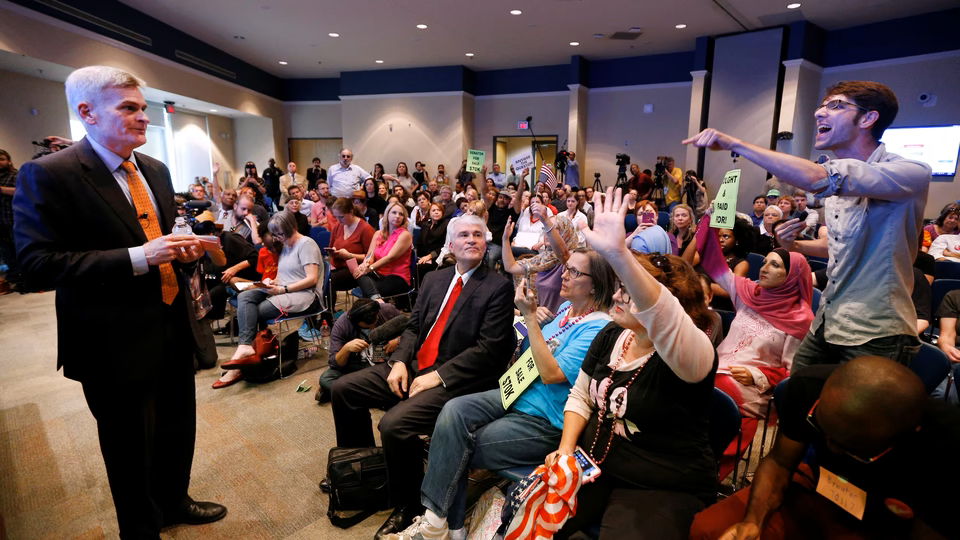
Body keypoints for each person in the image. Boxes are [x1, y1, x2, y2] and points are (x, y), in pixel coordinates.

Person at [12, 65, 226, 536]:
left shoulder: (154, 169)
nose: (142, 118)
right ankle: (141, 526)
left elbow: (164, 242)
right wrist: (137, 257)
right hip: (111, 338)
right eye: (128, 108)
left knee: (176, 426)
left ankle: (174, 501)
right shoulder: (50, 174)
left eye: (143, 109)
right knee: (130, 445)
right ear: (86, 112)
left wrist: (185, 253)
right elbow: (37, 263)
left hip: (172, 323)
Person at [686, 81, 932, 370]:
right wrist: (795, 246)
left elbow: (818, 178)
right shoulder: (838, 191)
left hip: (876, 330)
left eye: (835, 105)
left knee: (849, 414)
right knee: (793, 399)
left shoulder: (910, 172)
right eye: (822, 105)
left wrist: (735, 144)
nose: (819, 112)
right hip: (828, 319)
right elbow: (839, 247)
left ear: (868, 118)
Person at [403, 248, 616, 540]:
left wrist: (529, 320)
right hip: (515, 395)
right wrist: (537, 324)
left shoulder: (598, 328)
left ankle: (444, 527)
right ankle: (445, 525)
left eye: (575, 272)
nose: (563, 275)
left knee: (457, 446)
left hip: (544, 419)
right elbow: (529, 355)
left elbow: (550, 374)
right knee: (453, 410)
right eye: (566, 268)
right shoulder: (566, 312)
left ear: (596, 284)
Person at [545, 187, 717, 540]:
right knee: (530, 519)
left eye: (631, 290)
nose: (619, 295)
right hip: (594, 466)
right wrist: (564, 451)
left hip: (660, 484)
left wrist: (620, 254)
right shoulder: (611, 333)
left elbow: (663, 312)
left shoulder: (690, 353)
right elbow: (581, 396)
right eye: (620, 285)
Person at [331, 215, 515, 539]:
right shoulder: (434, 278)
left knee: (393, 425)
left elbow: (489, 351)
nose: (471, 239)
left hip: (459, 380)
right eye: (463, 235)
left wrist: (439, 377)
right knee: (343, 388)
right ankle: (364, 466)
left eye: (477, 234)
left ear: (485, 242)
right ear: (451, 244)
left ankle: (409, 506)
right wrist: (400, 360)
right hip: (415, 367)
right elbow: (414, 326)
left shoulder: (497, 287)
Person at [690, 357, 960, 540]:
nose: (830, 448)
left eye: (853, 448)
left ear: (907, 434)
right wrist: (753, 521)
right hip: (819, 486)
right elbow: (781, 462)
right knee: (709, 529)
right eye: (823, 431)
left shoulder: (947, 442)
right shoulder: (808, 388)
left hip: (889, 521)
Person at [696, 220, 813, 418]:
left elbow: (794, 375)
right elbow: (712, 260)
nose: (764, 268)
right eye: (765, 262)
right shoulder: (748, 293)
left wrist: (757, 376)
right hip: (716, 369)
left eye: (774, 265)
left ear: (792, 276)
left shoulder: (800, 319)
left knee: (703, 392)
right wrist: (712, 219)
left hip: (752, 386)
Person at [215, 211, 322, 386]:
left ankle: (245, 361)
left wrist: (282, 288)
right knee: (246, 294)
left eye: (281, 234)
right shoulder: (286, 245)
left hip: (303, 295)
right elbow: (283, 274)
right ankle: (246, 349)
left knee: (253, 312)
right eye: (276, 234)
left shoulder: (306, 244)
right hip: (281, 288)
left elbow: (312, 279)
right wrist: (272, 282)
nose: (279, 238)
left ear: (292, 227)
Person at [318, 298, 403, 402]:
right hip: (357, 365)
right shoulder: (341, 325)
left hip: (384, 362)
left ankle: (345, 393)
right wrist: (346, 349)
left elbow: (412, 330)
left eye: (374, 323)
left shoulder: (388, 310)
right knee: (326, 378)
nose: (372, 328)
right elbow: (335, 364)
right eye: (367, 327)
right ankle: (375, 395)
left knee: (409, 368)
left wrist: (397, 341)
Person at [502, 208, 582, 314]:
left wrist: (545, 220)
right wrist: (505, 239)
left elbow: (563, 254)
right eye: (545, 228)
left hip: (566, 320)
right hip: (545, 320)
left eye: (553, 229)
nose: (547, 233)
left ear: (566, 232)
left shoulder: (573, 259)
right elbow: (510, 267)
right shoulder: (544, 259)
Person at [354, 202, 413, 300]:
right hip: (378, 273)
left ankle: (375, 300)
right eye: (394, 213)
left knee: (366, 294)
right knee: (359, 274)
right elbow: (370, 255)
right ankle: (376, 298)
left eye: (401, 214)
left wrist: (369, 268)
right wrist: (365, 265)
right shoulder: (378, 233)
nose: (397, 216)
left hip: (396, 277)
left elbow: (390, 257)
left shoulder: (405, 235)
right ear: (387, 214)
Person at [327, 197, 375, 294]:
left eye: (341, 217)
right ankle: (327, 308)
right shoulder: (338, 226)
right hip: (336, 266)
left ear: (351, 212)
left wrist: (349, 255)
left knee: (327, 280)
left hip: (356, 269)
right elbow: (331, 246)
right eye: (336, 217)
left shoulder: (365, 229)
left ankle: (329, 308)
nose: (338, 220)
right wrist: (333, 253)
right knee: (319, 276)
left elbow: (371, 257)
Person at [0, 149, 21, 289]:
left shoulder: (16, 175)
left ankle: (25, 278)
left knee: (19, 250)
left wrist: (1, 189)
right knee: (6, 252)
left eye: (1, 159)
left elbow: (22, 191)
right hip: (0, 222)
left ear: (9, 161)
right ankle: (13, 276)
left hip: (14, 220)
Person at [415, 202, 450, 279]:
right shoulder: (425, 224)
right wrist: (415, 255)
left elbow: (444, 246)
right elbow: (418, 242)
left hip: (437, 257)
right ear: (429, 213)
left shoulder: (446, 225)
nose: (436, 212)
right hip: (422, 256)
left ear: (442, 212)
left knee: (420, 268)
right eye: (433, 210)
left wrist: (429, 256)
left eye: (439, 210)